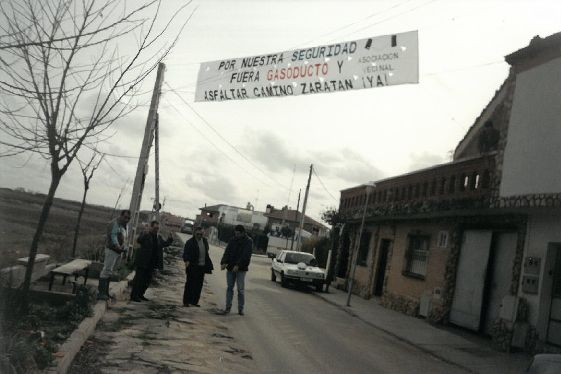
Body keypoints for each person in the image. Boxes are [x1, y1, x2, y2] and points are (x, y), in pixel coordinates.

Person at [130, 220, 173, 302]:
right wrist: (144, 232)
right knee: (139, 280)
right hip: (143, 262)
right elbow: (139, 240)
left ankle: (140, 294)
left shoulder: (158, 237)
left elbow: (164, 244)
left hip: (152, 263)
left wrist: (170, 239)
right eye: (155, 228)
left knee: (147, 280)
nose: (156, 229)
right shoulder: (146, 235)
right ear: (151, 227)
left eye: (157, 228)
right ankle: (134, 296)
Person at [98, 210, 130, 300]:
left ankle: (105, 292)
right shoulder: (114, 223)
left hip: (118, 251)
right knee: (107, 270)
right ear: (121, 215)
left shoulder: (125, 226)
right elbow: (113, 236)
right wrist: (117, 246)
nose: (127, 219)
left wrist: (124, 249)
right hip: (112, 250)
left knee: (110, 271)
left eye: (128, 218)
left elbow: (125, 238)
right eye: (125, 217)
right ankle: (101, 293)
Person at [220, 225, 253, 315]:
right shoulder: (232, 240)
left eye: (238, 234)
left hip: (241, 269)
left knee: (240, 289)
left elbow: (246, 256)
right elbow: (227, 252)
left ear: (243, 233)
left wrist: (238, 265)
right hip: (230, 267)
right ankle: (228, 307)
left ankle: (240, 308)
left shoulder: (248, 241)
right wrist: (223, 262)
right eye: (235, 233)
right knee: (229, 288)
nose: (236, 235)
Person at [182, 226, 214, 307]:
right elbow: (186, 253)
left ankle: (194, 301)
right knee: (190, 284)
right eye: (198, 234)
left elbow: (206, 252)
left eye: (201, 234)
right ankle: (186, 301)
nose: (200, 235)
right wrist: (187, 260)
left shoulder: (205, 241)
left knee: (198, 285)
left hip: (202, 267)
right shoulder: (190, 242)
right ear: (195, 233)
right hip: (192, 266)